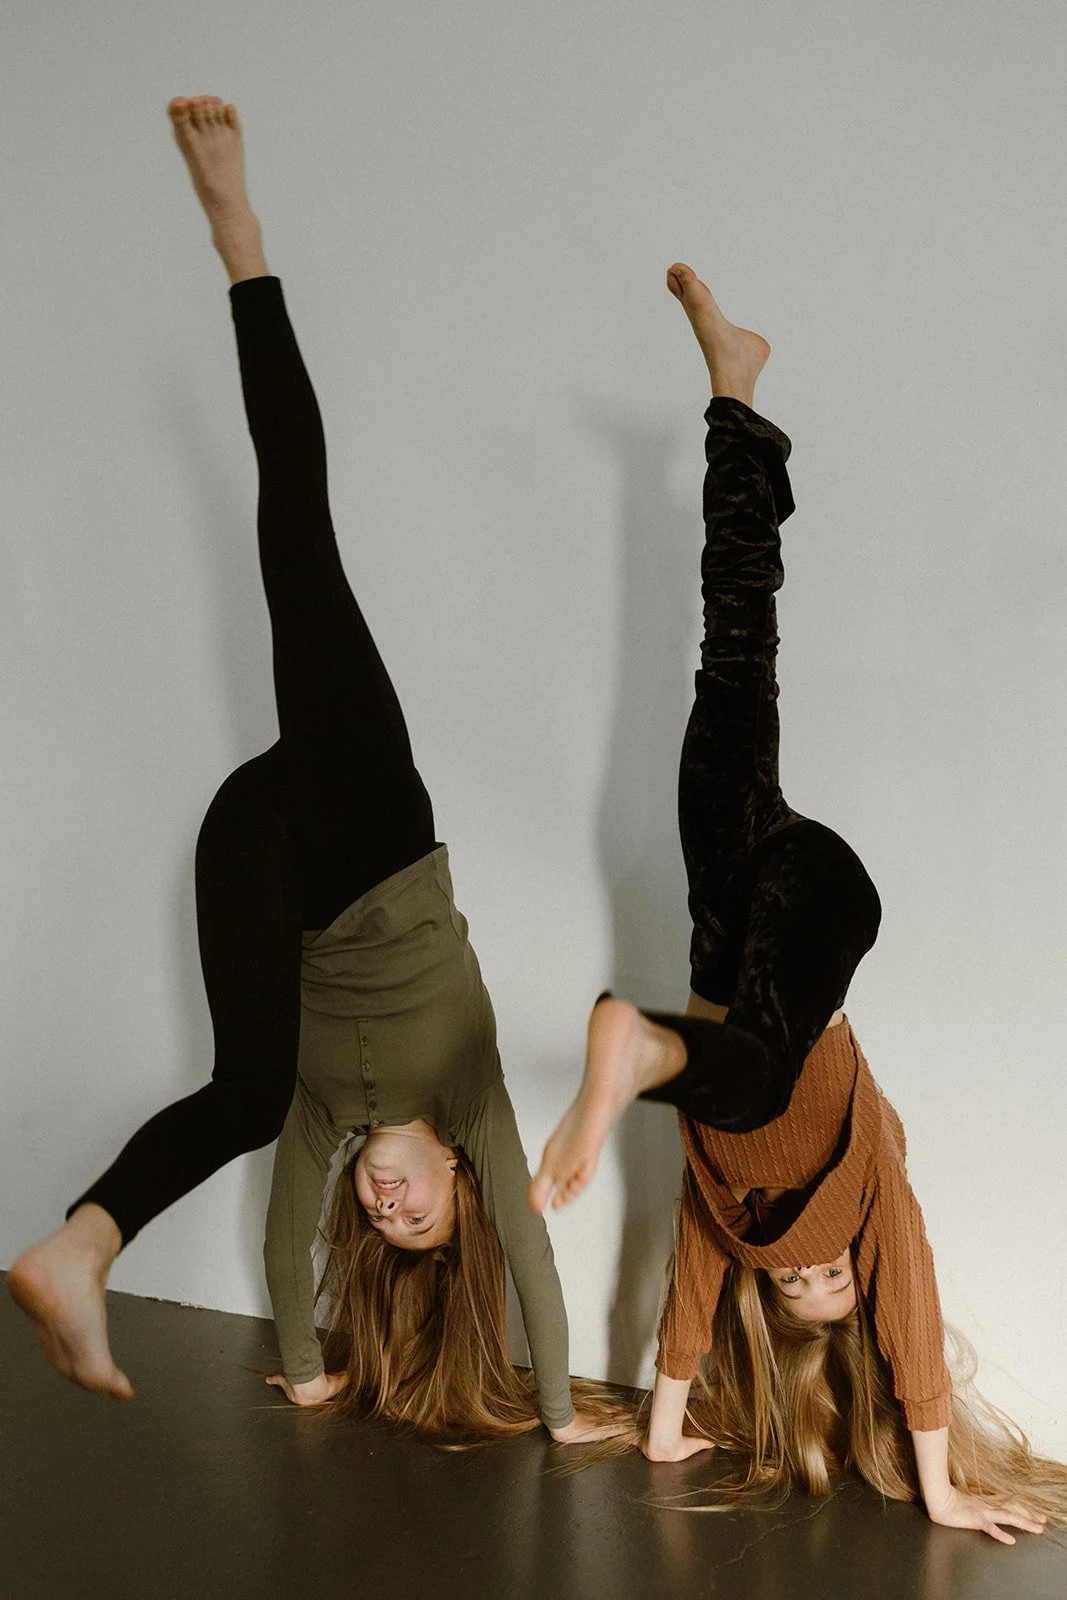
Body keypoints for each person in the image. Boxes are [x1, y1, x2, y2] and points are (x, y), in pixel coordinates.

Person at [8, 96, 622, 1446]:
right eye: (422, 1217)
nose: (390, 1210)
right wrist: (566, 1407)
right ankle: (241, 240)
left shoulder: (324, 1123)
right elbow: (525, 1252)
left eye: (381, 1220)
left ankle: (80, 1247)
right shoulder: (466, 1095)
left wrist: (305, 1371)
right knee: (297, 529)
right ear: (460, 1176)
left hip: (260, 841)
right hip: (369, 828)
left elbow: (296, 1243)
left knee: (240, 1088)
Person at [529, 264, 1067, 1538]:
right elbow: (911, 1312)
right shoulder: (872, 1186)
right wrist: (937, 1485)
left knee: (731, 651)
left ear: (771, 1301)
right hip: (825, 901)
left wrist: (664, 1425)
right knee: (762, 1071)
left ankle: (735, 387)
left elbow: (688, 1297)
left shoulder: (728, 1232)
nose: (814, 1262)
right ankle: (640, 1049)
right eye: (835, 1277)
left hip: (734, 896)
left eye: (804, 1282)